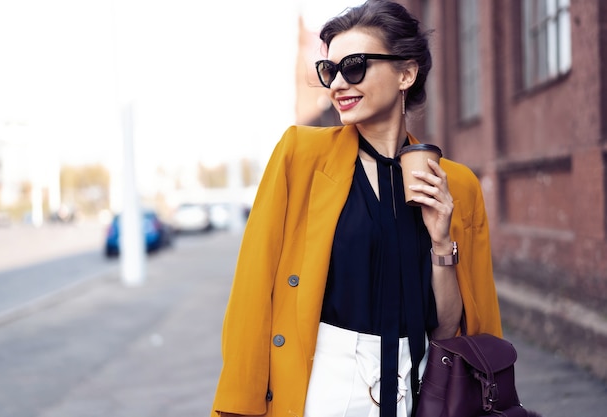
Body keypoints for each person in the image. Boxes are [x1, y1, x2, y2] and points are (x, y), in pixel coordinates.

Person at [211, 1, 502, 416]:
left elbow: (448, 327)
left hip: (421, 389)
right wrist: (238, 407)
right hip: (325, 388)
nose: (337, 85)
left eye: (355, 66)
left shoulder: (457, 185)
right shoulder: (300, 156)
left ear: (406, 73)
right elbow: (252, 292)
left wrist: (441, 241)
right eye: (330, 71)